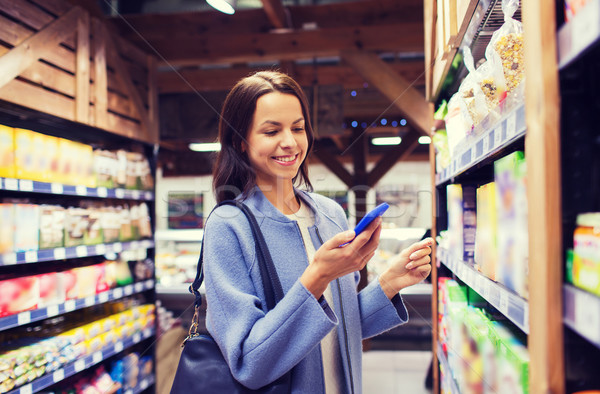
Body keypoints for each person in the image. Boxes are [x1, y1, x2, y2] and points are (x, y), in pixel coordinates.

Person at [203, 70, 433, 393]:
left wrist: (390, 282)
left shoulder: (330, 215)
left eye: (298, 128)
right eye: (271, 131)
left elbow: (339, 328)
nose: (289, 141)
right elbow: (248, 362)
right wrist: (317, 277)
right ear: (241, 142)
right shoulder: (228, 228)